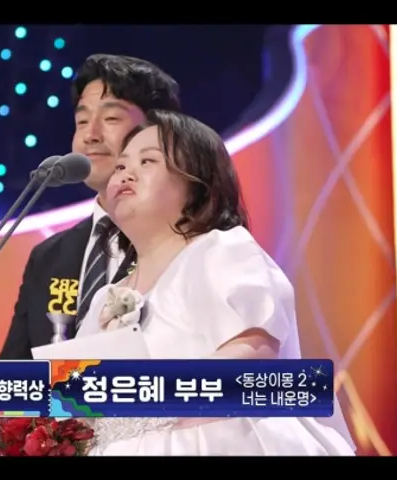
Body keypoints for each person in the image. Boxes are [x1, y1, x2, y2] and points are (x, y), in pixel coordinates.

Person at [77, 110, 356, 455]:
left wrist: (152, 401)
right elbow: (79, 405)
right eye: (120, 166)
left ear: (197, 184)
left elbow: (255, 357)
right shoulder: (105, 298)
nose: (126, 173)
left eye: (147, 161)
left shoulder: (221, 250)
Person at [0, 54, 181, 359]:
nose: (90, 135)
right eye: (81, 121)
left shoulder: (185, 244)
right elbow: (12, 373)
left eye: (111, 119)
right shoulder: (49, 257)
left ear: (158, 133)